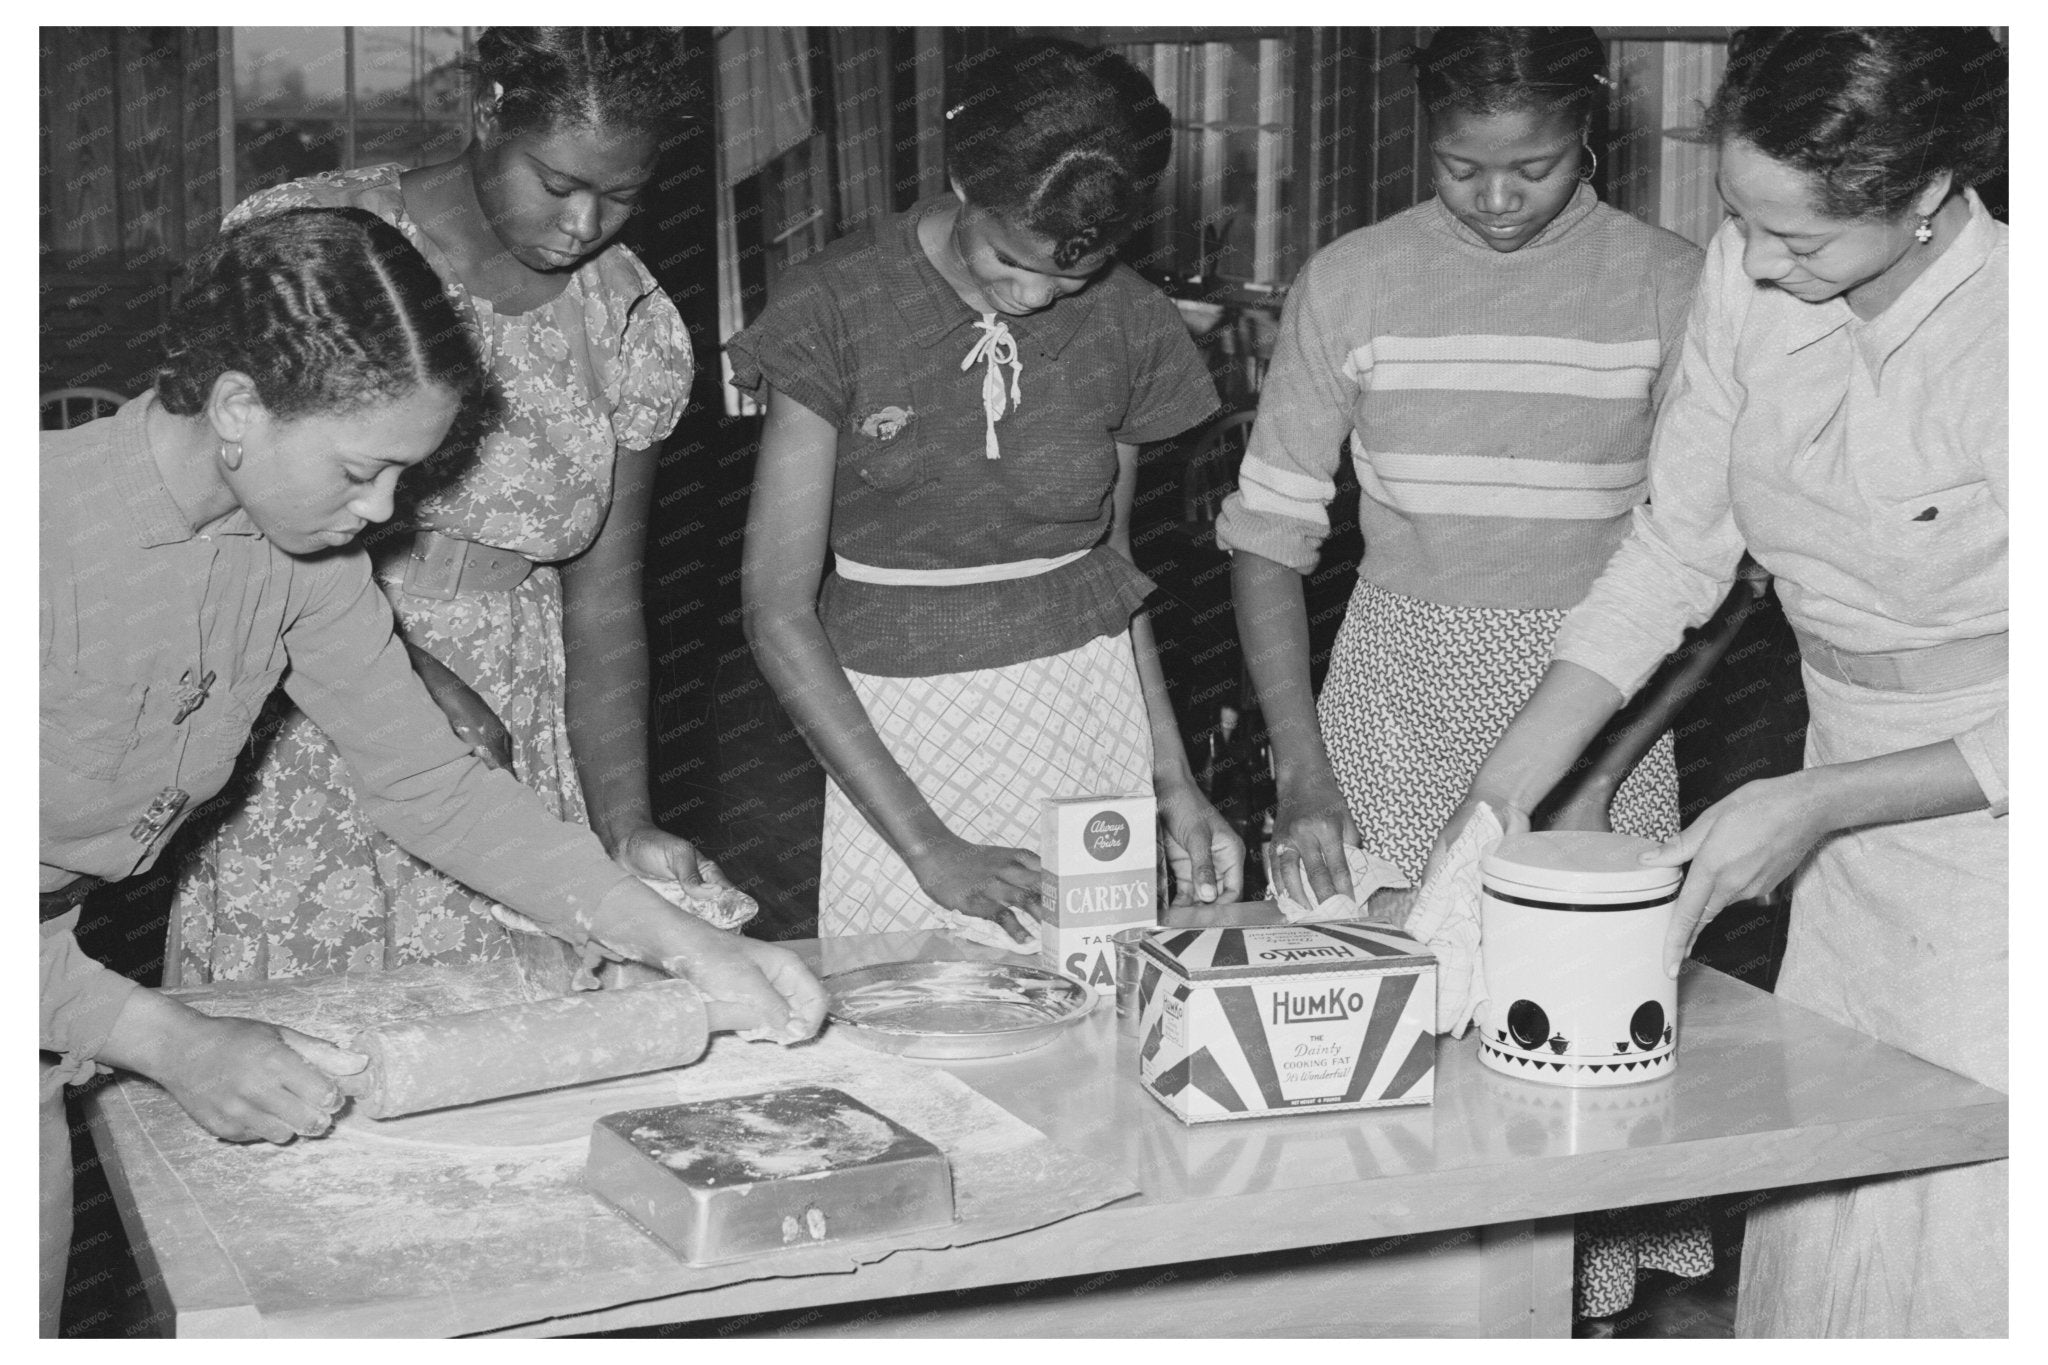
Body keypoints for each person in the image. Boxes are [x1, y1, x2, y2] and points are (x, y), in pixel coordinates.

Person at [40, 207, 825, 1336]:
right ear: (237, 409)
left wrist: (680, 940)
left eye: (404, 477)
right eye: (362, 470)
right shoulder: (40, 529)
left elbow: (432, 786)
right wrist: (164, 1038)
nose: (382, 513)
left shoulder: (298, 554)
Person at [1434, 28, 2007, 1337]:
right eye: (1738, 218)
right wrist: (1498, 799)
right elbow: (1674, 550)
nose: (1755, 261)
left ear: (1926, 196)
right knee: (1842, 1162)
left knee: (1972, 1176)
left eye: (1800, 239)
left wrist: (1818, 802)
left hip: (1994, 814)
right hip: (1847, 757)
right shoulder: (1754, 286)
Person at [1217, 28, 1707, 1322]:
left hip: (1599, 712)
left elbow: (1706, 578)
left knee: (1572, 1077)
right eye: (1461, 170)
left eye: (1533, 169)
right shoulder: (1355, 280)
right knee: (1382, 1068)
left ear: (1590, 134)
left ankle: (1576, 1322)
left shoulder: (1672, 284)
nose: (1496, 201)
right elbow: (1269, 542)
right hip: (1387, 702)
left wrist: (1597, 775)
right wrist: (1302, 773)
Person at [174, 27, 722, 984]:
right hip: (306, 697)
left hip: (516, 717)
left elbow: (605, 604)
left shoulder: (631, 320)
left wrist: (624, 822)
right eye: (556, 183)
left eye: (623, 194)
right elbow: (209, 498)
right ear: (486, 118)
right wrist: (409, 676)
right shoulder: (318, 236)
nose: (584, 222)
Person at [733, 37, 1242, 945]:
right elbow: (776, 609)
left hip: (1087, 717)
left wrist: (1173, 781)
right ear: (965, 182)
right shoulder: (836, 307)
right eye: (1012, 259)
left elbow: (1111, 573)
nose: (1038, 295)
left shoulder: (1129, 320)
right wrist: (928, 844)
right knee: (919, 1022)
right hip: (894, 738)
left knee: (1097, 1010)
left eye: (1072, 272)